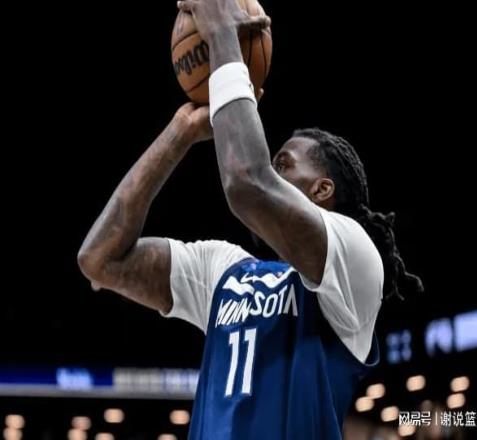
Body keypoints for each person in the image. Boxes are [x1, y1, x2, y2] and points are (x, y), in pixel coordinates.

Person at [78, 0, 422, 438]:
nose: (271, 172)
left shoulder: (355, 259)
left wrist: (224, 34)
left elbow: (247, 184)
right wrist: (180, 133)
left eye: (283, 165)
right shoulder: (224, 269)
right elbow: (99, 259)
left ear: (323, 190)